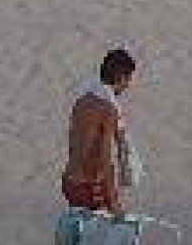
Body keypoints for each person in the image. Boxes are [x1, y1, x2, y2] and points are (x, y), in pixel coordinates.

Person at [59, 48, 140, 216]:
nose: (128, 86)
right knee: (100, 238)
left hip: (69, 182)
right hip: (88, 188)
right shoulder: (108, 110)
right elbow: (105, 159)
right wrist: (113, 203)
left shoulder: (82, 102)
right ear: (122, 78)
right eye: (129, 80)